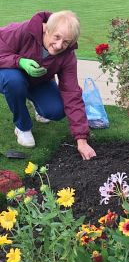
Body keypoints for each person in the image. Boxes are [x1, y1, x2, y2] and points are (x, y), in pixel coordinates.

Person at [0, 10, 96, 160]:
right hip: (8, 74)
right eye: (56, 37)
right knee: (14, 82)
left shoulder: (68, 57)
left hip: (38, 81)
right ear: (46, 29)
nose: (58, 45)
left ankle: (34, 101)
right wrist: (19, 61)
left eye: (66, 42)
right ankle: (22, 126)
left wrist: (81, 139)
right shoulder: (22, 31)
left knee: (57, 110)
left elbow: (71, 93)